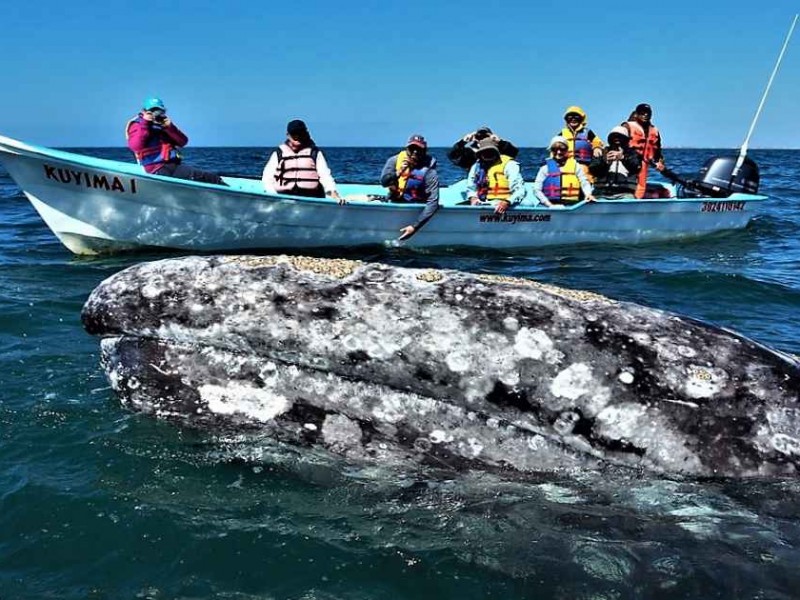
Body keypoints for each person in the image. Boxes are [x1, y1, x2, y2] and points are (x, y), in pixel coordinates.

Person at [125, 97, 226, 185]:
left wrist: (170, 128)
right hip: (158, 169)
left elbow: (183, 142)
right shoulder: (138, 126)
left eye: (159, 111)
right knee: (208, 178)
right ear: (144, 112)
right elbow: (135, 146)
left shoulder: (162, 125)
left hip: (173, 166)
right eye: (152, 111)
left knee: (211, 177)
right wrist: (145, 123)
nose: (155, 114)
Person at [262, 119, 343, 202]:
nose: (297, 137)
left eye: (300, 134)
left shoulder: (314, 153)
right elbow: (267, 176)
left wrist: (332, 192)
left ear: (306, 133)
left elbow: (325, 175)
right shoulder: (279, 153)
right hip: (282, 196)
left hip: (311, 197)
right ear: (287, 135)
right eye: (294, 134)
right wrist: (273, 195)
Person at [380, 134, 440, 240]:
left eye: (419, 149)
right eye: (412, 148)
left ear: (425, 151)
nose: (415, 152)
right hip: (395, 201)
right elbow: (384, 182)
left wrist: (415, 227)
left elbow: (433, 202)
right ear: (407, 149)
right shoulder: (394, 161)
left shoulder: (430, 172)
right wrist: (398, 173)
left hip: (417, 205)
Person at [465, 138, 527, 213]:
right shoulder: (476, 167)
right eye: (484, 153)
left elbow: (519, 190)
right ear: (480, 155)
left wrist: (507, 202)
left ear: (497, 152)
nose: (487, 155)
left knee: (528, 204)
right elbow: (471, 187)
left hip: (506, 202)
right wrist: (473, 198)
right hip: (483, 202)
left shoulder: (510, 165)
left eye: (491, 152)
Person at [533, 136, 595, 207]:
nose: (558, 152)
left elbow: (584, 183)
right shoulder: (545, 168)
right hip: (548, 204)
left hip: (571, 205)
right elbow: (536, 189)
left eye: (562, 149)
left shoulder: (576, 166)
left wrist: (588, 194)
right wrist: (549, 205)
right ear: (551, 150)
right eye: (555, 149)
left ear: (567, 150)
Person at [622, 103, 665, 199]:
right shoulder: (627, 126)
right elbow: (616, 140)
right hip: (626, 161)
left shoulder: (654, 130)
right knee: (626, 184)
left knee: (641, 187)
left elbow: (657, 149)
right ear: (636, 114)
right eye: (642, 113)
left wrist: (659, 161)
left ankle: (636, 204)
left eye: (647, 113)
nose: (645, 115)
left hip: (643, 164)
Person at [588, 126, 642, 198]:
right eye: (614, 136)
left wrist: (623, 158)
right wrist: (606, 162)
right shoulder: (602, 152)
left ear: (626, 139)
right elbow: (593, 170)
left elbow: (636, 167)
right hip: (601, 192)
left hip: (625, 193)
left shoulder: (632, 153)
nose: (617, 139)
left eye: (620, 137)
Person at [558, 106, 604, 179]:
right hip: (566, 165)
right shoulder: (562, 134)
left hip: (584, 166)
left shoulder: (588, 132)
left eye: (576, 117)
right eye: (570, 117)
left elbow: (597, 141)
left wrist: (597, 147)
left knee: (586, 180)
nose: (573, 119)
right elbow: (554, 147)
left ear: (581, 119)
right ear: (566, 119)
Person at [447, 126, 519, 169]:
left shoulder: (498, 151)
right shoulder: (469, 153)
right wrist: (462, 142)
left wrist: (500, 142)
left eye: (485, 136)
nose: (482, 139)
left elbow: (513, 152)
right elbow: (452, 156)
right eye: (479, 137)